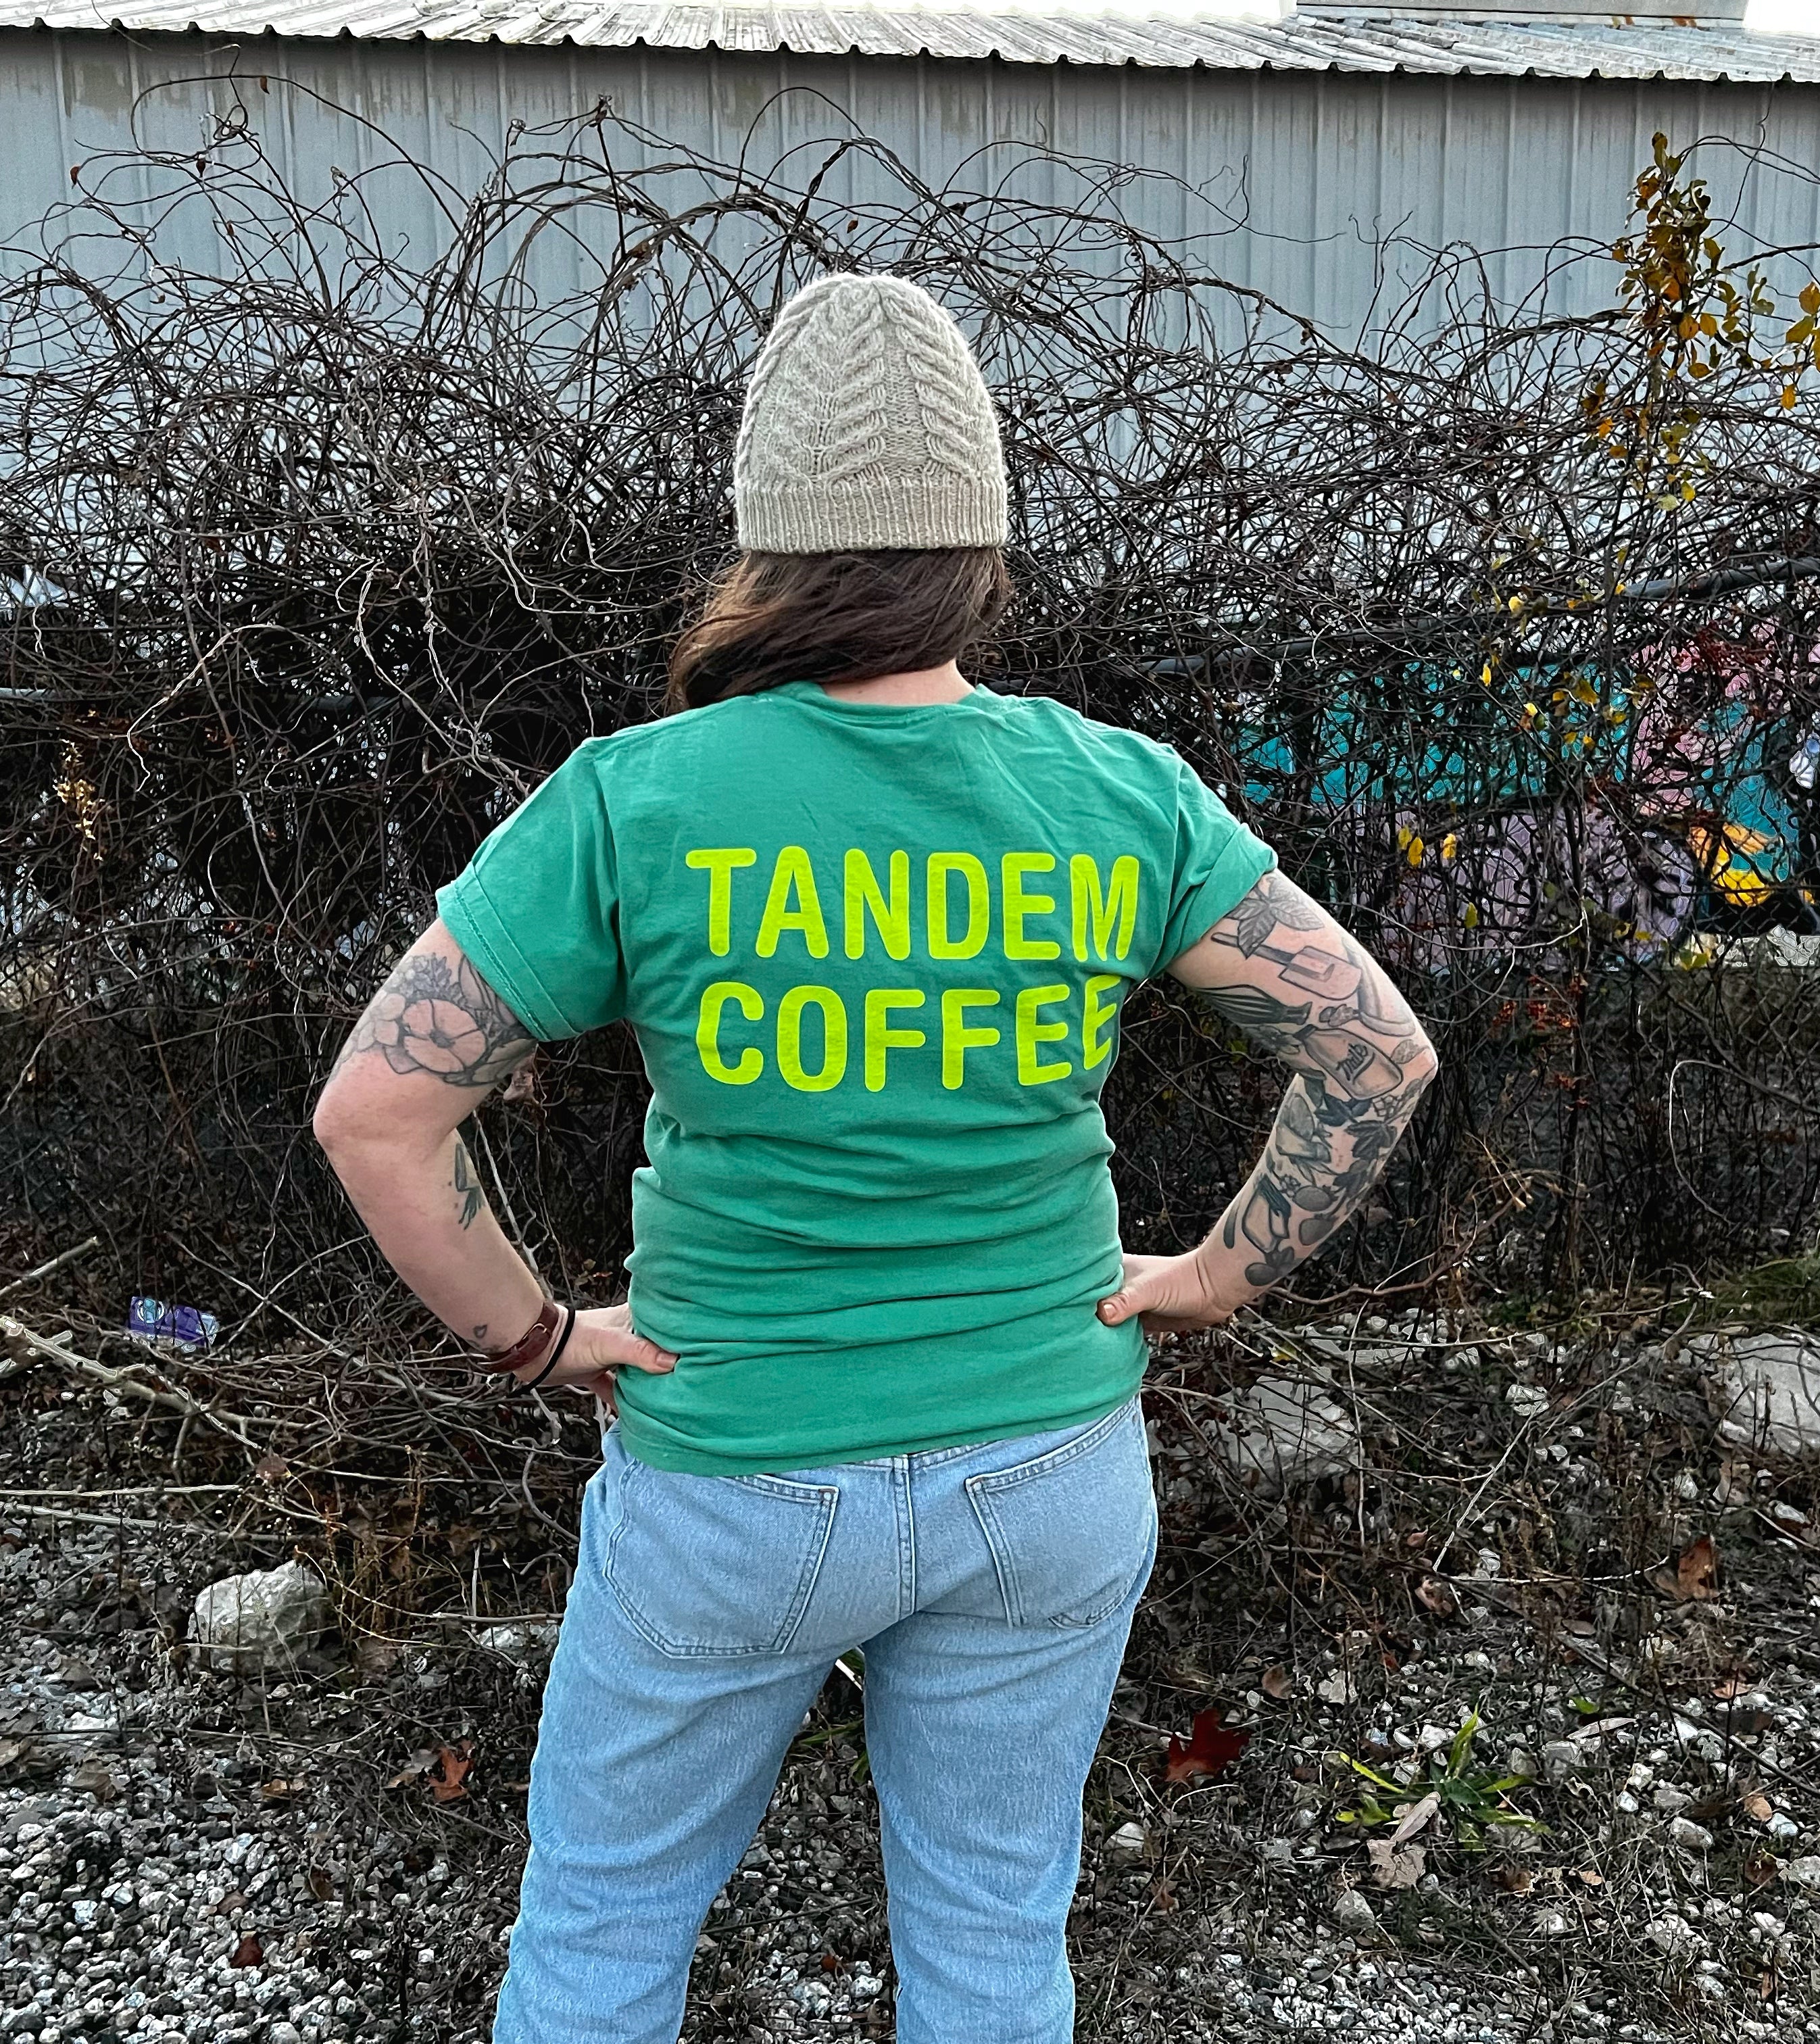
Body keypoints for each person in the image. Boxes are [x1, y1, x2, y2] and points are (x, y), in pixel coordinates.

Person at [313, 272, 1437, 2044]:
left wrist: (539, 1338)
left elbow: (378, 1111)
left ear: (769, 543)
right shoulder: (1118, 793)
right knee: (994, 1944)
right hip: (1051, 1468)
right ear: (974, 545)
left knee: (604, 1932)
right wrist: (1210, 1278)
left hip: (738, 1481)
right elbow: (1375, 1051)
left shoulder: (639, 799)